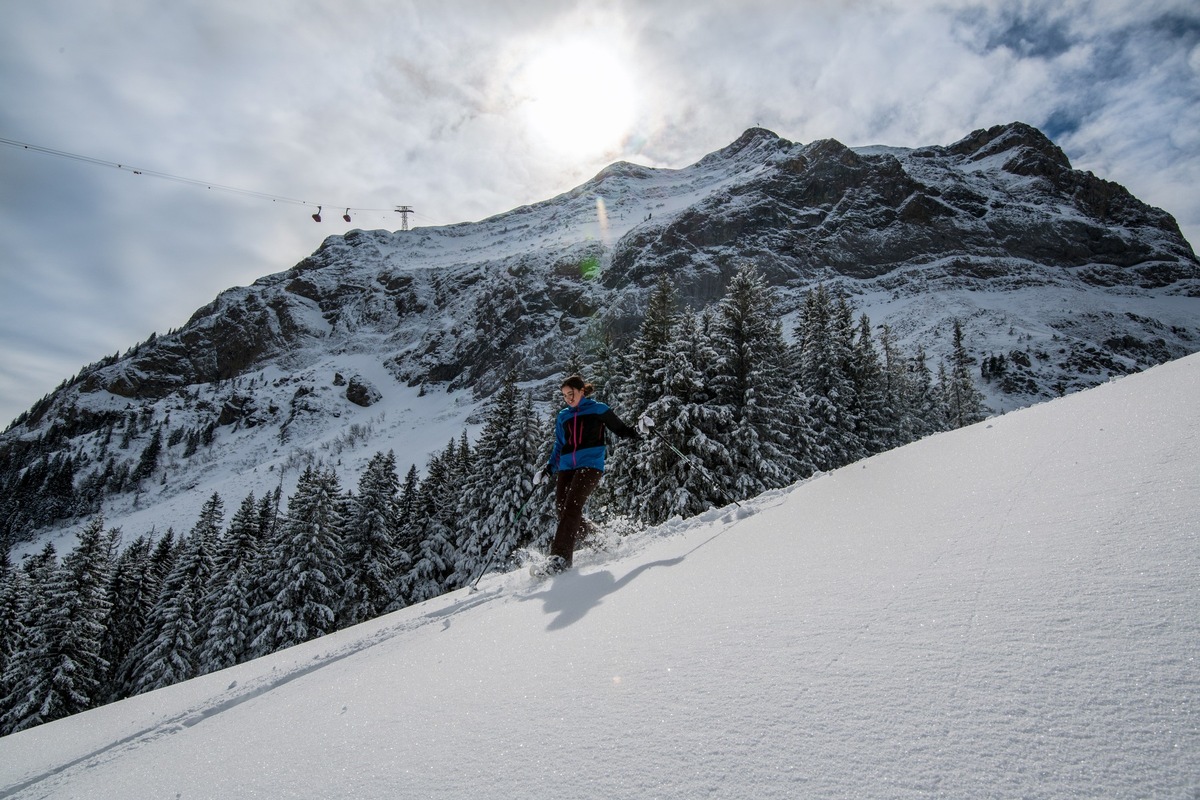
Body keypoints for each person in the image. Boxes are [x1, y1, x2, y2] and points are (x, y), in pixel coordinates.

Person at [535, 375, 641, 575]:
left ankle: (560, 559)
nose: (568, 398)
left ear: (581, 390)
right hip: (566, 467)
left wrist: (638, 431)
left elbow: (622, 430)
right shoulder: (563, 416)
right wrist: (549, 469)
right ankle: (600, 540)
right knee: (562, 509)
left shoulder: (598, 409)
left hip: (591, 465)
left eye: (571, 393)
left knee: (572, 506)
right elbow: (559, 445)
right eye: (564, 396)